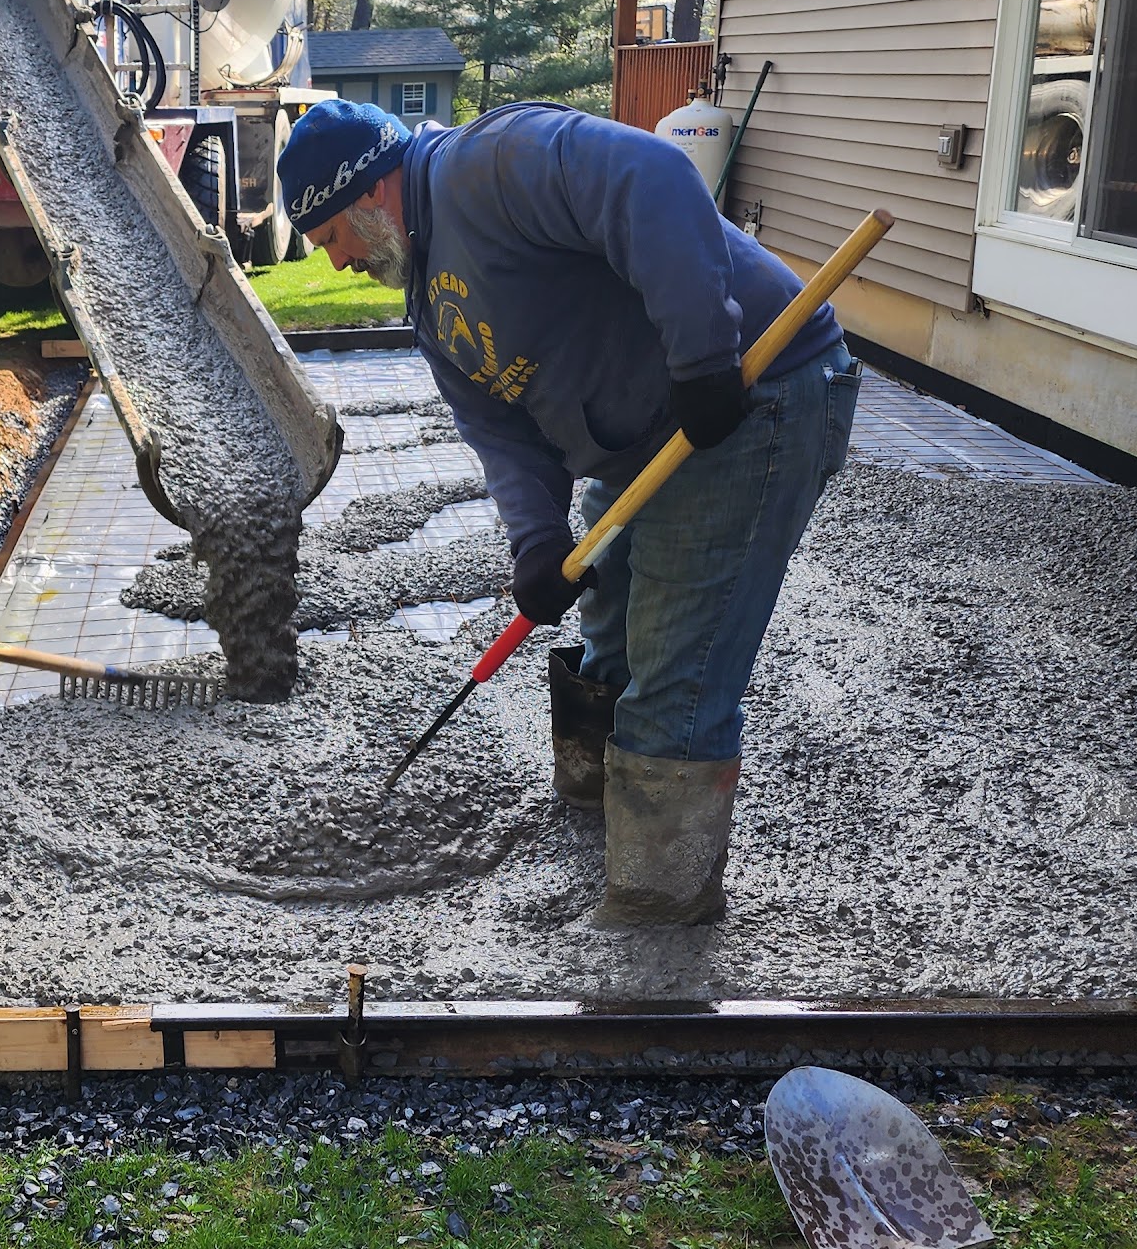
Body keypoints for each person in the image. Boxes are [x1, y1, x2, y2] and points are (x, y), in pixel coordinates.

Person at [278, 97, 860, 926]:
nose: (334, 265)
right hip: (640, 445)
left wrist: (702, 355)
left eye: (330, 238)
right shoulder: (430, 299)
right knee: (607, 633)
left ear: (368, 193)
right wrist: (539, 546)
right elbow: (500, 433)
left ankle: (658, 907)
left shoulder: (491, 164)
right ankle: (595, 820)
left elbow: (654, 176)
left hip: (752, 396)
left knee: (675, 668)